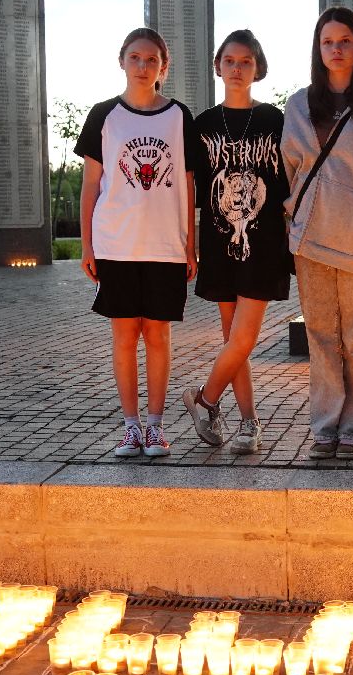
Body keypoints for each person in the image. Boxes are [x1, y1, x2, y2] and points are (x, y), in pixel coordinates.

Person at [76, 27, 202, 458]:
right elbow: (91, 185)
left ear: (163, 66)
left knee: (159, 338)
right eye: (136, 57)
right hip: (116, 244)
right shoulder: (103, 116)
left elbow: (188, 185)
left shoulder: (179, 116)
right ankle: (130, 427)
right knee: (125, 337)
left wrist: (191, 244)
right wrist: (87, 244)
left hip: (165, 245)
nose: (143, 66)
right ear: (122, 61)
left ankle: (155, 427)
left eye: (152, 59)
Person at [282, 6, 353, 459]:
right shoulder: (298, 105)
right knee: (322, 337)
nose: (336, 49)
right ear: (318, 48)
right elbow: (291, 168)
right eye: (328, 42)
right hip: (311, 237)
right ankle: (326, 425)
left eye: (344, 41)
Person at [181, 29, 292, 455]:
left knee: (244, 336)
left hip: (263, 244)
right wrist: (189, 244)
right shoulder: (203, 124)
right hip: (217, 241)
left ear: (258, 68)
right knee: (233, 339)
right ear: (218, 66)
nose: (237, 68)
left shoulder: (274, 120)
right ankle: (249, 424)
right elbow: (193, 189)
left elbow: (286, 180)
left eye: (246, 61)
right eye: (230, 60)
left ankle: (204, 399)